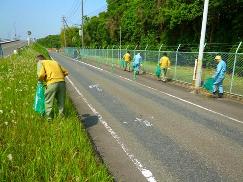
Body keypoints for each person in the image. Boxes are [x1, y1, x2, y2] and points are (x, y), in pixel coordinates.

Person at [37, 55, 68, 120]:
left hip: (51, 83)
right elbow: (66, 72)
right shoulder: (55, 62)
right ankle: (62, 118)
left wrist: (40, 80)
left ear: (38, 60)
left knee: (48, 101)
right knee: (61, 101)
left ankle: (49, 119)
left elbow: (41, 74)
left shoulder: (41, 62)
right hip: (62, 82)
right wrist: (59, 77)